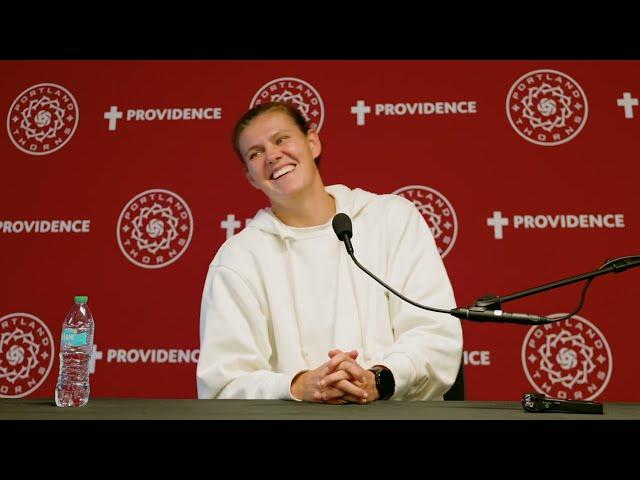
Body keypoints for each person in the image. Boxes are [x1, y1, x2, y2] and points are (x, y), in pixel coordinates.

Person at [197, 101, 462, 403]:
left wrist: (376, 380)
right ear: (250, 177)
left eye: (281, 139)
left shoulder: (392, 219)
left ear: (312, 142)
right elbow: (223, 384)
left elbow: (436, 338)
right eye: (255, 154)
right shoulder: (237, 258)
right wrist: (297, 387)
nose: (272, 156)